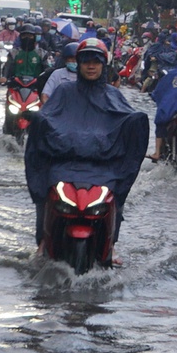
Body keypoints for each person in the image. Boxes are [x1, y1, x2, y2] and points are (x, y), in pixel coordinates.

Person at [23, 37, 149, 256]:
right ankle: (43, 240)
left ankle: (111, 244)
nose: (91, 66)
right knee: (45, 194)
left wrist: (136, 124)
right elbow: (48, 116)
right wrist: (37, 120)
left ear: (103, 65)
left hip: (103, 169)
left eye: (96, 61)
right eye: (86, 61)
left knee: (115, 197)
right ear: (79, 64)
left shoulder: (114, 95)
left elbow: (126, 118)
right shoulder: (63, 91)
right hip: (64, 165)